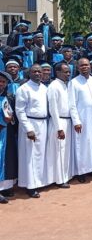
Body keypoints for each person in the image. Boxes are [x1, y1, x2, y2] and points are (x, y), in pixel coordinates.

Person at [15, 64, 49, 198]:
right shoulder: (24, 89)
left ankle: (39, 181)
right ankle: (30, 185)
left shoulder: (44, 88)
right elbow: (20, 110)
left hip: (43, 123)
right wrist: (28, 128)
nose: (37, 74)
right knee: (29, 156)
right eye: (34, 71)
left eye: (39, 72)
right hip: (30, 123)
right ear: (29, 73)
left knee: (40, 154)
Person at [68, 58, 92, 183]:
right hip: (82, 119)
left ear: (90, 66)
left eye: (86, 65)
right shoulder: (74, 83)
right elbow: (72, 104)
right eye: (81, 65)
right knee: (82, 145)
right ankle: (81, 171)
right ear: (77, 68)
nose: (84, 67)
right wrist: (76, 121)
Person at [46, 62, 74, 188]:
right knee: (58, 151)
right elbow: (53, 109)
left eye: (69, 72)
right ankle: (59, 179)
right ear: (57, 72)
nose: (68, 74)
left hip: (67, 121)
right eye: (65, 72)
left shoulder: (65, 85)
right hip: (59, 122)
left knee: (65, 151)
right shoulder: (54, 86)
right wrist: (59, 128)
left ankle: (65, 176)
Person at [0, 72, 18, 204]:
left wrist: (11, 119)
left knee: (7, 159)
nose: (1, 84)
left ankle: (5, 187)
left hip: (7, 134)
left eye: (3, 82)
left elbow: (14, 116)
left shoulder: (10, 98)